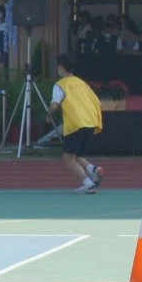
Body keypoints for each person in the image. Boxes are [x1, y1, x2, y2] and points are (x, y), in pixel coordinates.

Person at [49, 53, 104, 193]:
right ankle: (93, 169)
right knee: (77, 155)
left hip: (75, 124)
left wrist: (49, 113)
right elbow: (97, 102)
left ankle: (88, 184)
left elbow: (55, 105)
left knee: (68, 157)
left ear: (61, 68)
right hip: (90, 122)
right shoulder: (81, 82)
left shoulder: (60, 85)